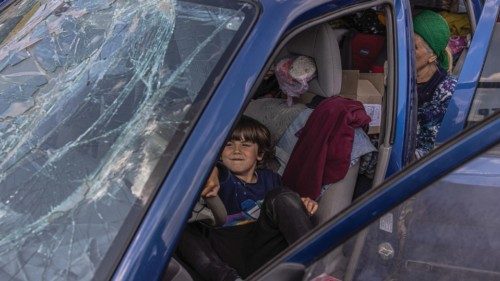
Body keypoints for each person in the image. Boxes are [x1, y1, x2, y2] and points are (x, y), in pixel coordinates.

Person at [177, 116, 318, 281]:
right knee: (180, 228)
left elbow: (284, 207)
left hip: (263, 252)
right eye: (228, 145)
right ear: (218, 154)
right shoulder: (221, 179)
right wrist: (212, 170)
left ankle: (317, 267)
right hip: (226, 258)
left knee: (283, 197)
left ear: (260, 154)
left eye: (245, 145)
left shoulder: (270, 179)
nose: (236, 150)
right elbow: (212, 174)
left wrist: (301, 204)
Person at [413, 10, 458, 158]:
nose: (406, 50)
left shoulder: (447, 92)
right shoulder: (401, 78)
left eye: (414, 47)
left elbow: (435, 149)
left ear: (432, 56)